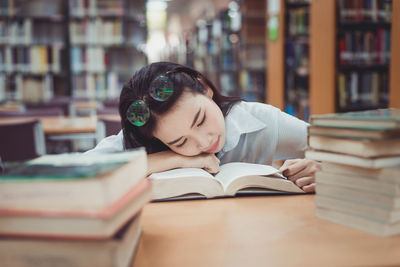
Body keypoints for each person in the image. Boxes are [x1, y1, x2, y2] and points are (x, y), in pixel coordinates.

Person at [87, 62, 321, 192]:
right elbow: (76, 173)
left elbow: (347, 149)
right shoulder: (141, 139)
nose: (204, 142)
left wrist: (322, 168)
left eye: (200, 120)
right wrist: (170, 160)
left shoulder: (259, 121)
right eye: (180, 143)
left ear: (206, 89)